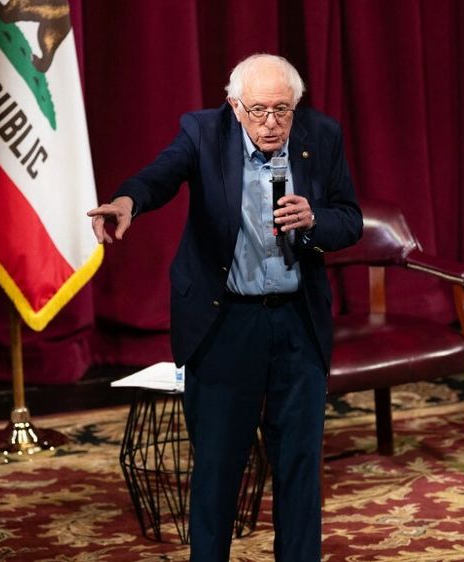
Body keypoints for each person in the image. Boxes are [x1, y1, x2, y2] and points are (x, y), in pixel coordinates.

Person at [88, 54, 363, 561]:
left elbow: (350, 219)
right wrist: (128, 202)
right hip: (225, 322)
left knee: (299, 466)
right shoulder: (203, 132)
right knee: (217, 468)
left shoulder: (321, 136)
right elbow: (160, 176)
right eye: (258, 110)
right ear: (235, 106)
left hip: (296, 321)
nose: (271, 123)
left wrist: (315, 220)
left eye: (283, 110)